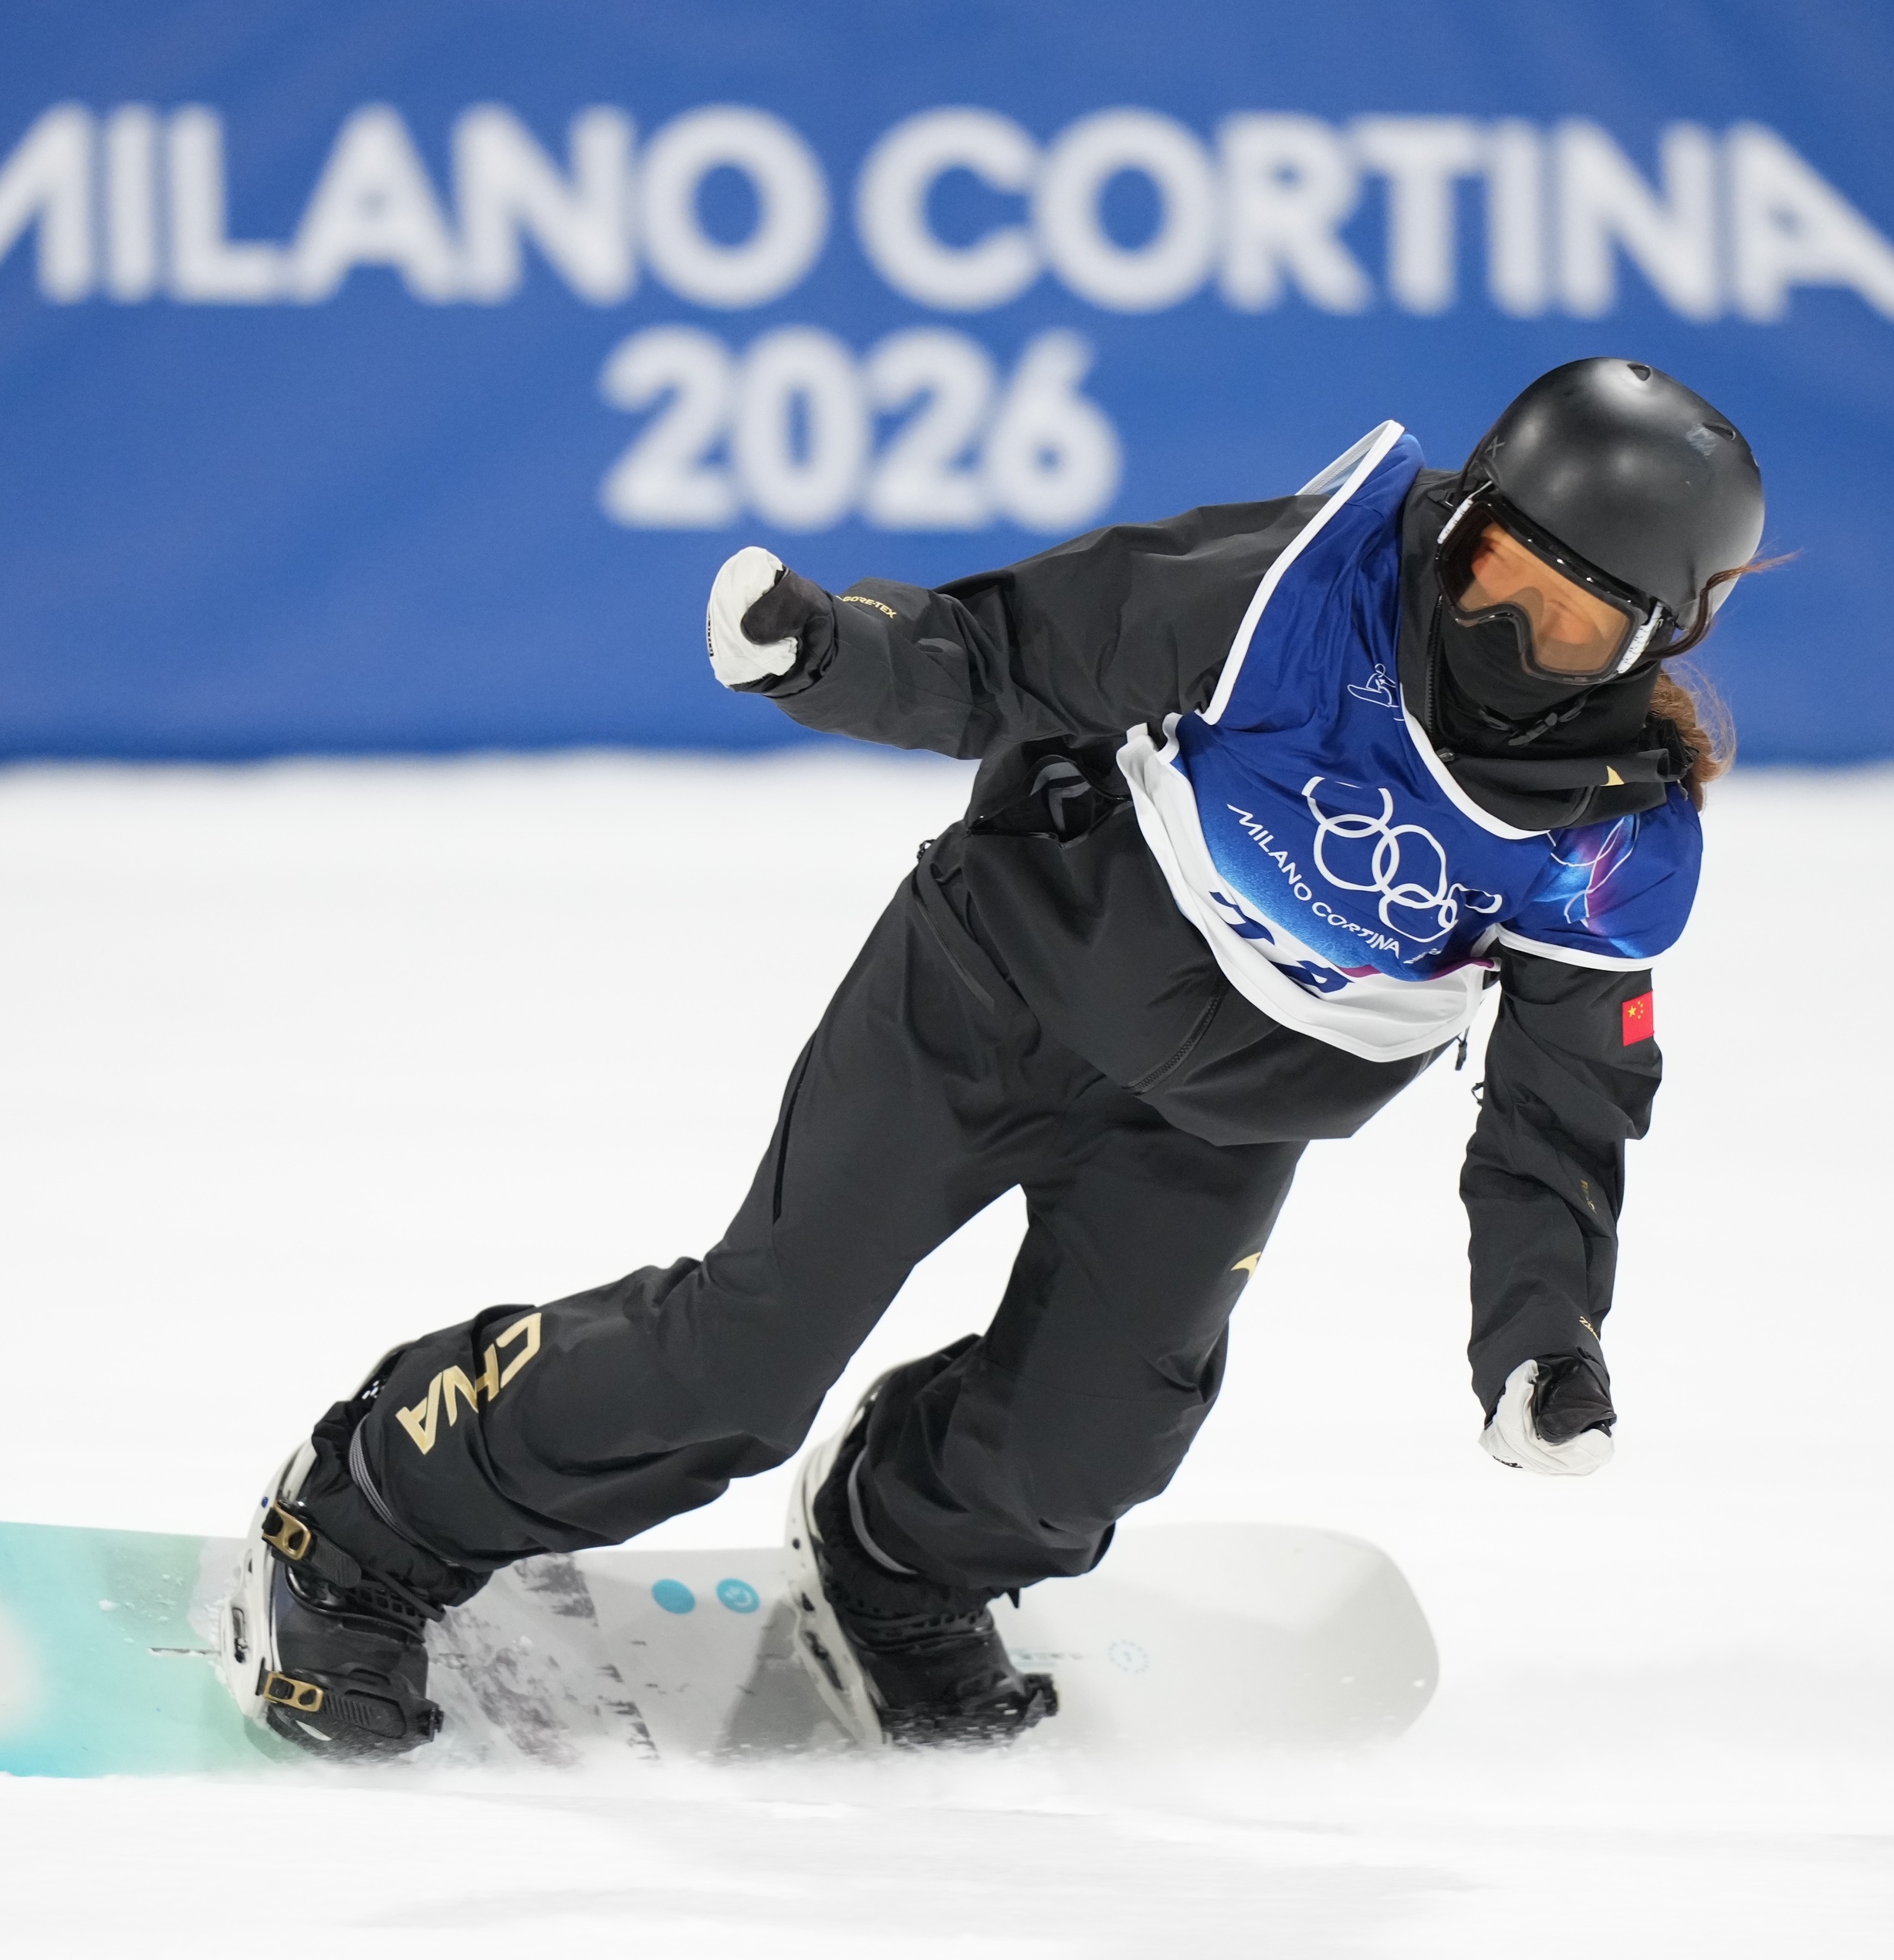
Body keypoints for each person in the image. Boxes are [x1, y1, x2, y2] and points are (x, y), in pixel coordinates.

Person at [220, 356, 1769, 1757]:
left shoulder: (1609, 838)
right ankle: (365, 1515)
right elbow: (1005, 649)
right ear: (1456, 519)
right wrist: (827, 652)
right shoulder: (1293, 591)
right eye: (1494, 568)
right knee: (741, 1361)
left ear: (1656, 638)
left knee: (1083, 1457)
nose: (1500, 628)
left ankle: (898, 1553)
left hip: (1212, 1125)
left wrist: (1540, 1332)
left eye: (1570, 621)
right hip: (989, 988)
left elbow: (1561, 1109)